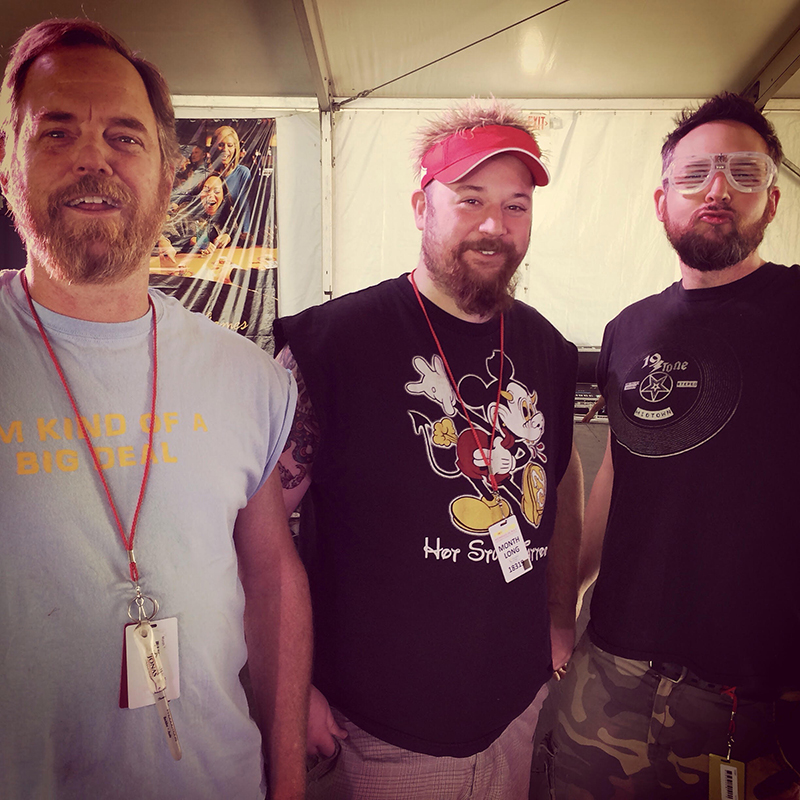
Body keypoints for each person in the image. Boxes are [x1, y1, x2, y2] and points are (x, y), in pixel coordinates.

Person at [0, 18, 310, 799]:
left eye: (126, 137)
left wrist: (291, 780)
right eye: (55, 132)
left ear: (169, 174)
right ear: (8, 171)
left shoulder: (248, 377)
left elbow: (270, 574)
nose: (93, 158)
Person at [274, 100, 583, 799]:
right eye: (469, 199)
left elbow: (560, 482)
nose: (493, 226)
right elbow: (259, 533)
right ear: (421, 206)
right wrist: (291, 687)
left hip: (513, 708)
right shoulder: (333, 346)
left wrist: (559, 620)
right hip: (385, 730)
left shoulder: (550, 349)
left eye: (515, 206)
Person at [536, 93, 800, 799]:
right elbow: (618, 471)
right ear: (661, 202)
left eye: (743, 173)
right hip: (614, 672)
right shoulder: (630, 328)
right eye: (696, 174)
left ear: (772, 204)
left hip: (761, 698)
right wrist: (565, 607)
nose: (717, 188)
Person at [211, 124, 252, 241]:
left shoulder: (243, 173)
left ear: (235, 148)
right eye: (221, 145)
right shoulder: (207, 174)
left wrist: (245, 234)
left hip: (233, 235)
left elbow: (245, 207)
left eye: (230, 145)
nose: (225, 149)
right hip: (211, 235)